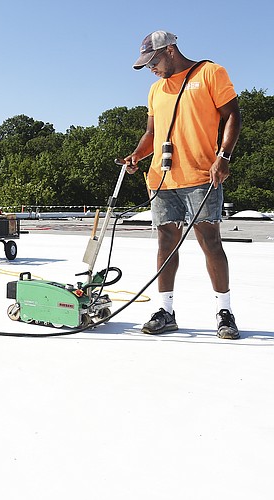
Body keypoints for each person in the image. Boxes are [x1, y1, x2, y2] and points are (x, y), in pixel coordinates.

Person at [122, 30, 241, 339]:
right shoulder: (155, 90)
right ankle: (166, 310)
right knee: (165, 243)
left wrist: (224, 156)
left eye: (154, 61)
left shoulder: (211, 73)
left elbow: (232, 116)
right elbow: (152, 132)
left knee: (210, 242)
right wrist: (136, 155)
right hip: (162, 178)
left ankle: (224, 312)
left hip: (202, 175)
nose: (151, 68)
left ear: (170, 50)